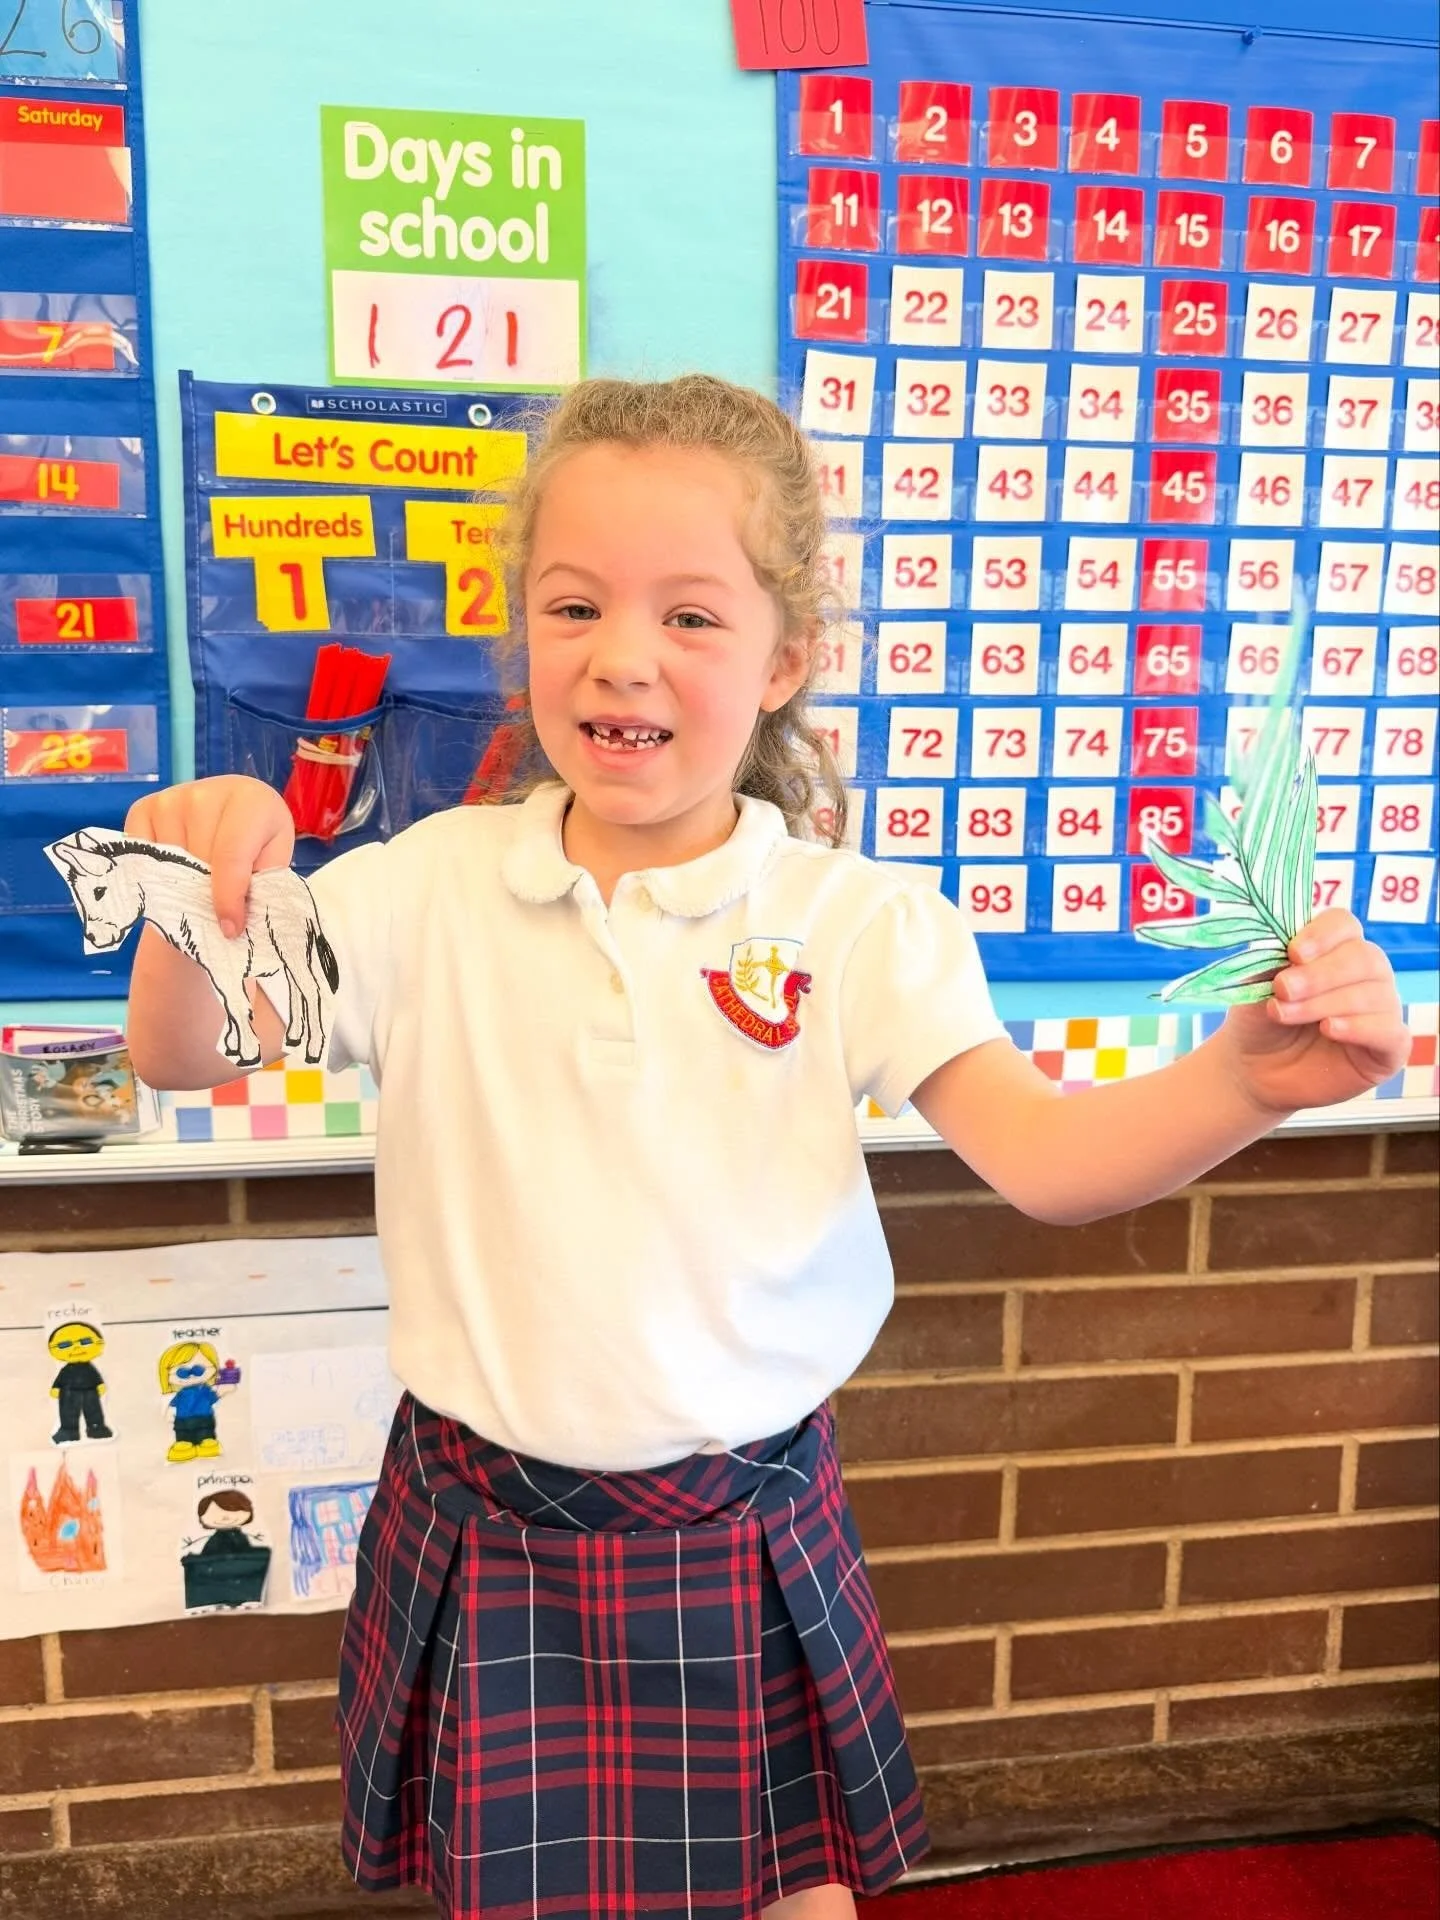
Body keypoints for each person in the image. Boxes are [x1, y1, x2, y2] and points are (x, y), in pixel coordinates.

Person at [121, 375, 1409, 1920]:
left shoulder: (858, 924)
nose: (621, 657)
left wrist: (1249, 1082)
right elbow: (178, 1057)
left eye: (691, 617)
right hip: (484, 1516)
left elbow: (1048, 1162)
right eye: (574, 604)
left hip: (744, 1524)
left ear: (787, 656)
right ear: (521, 630)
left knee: (794, 1899)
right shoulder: (423, 889)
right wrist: (192, 882)